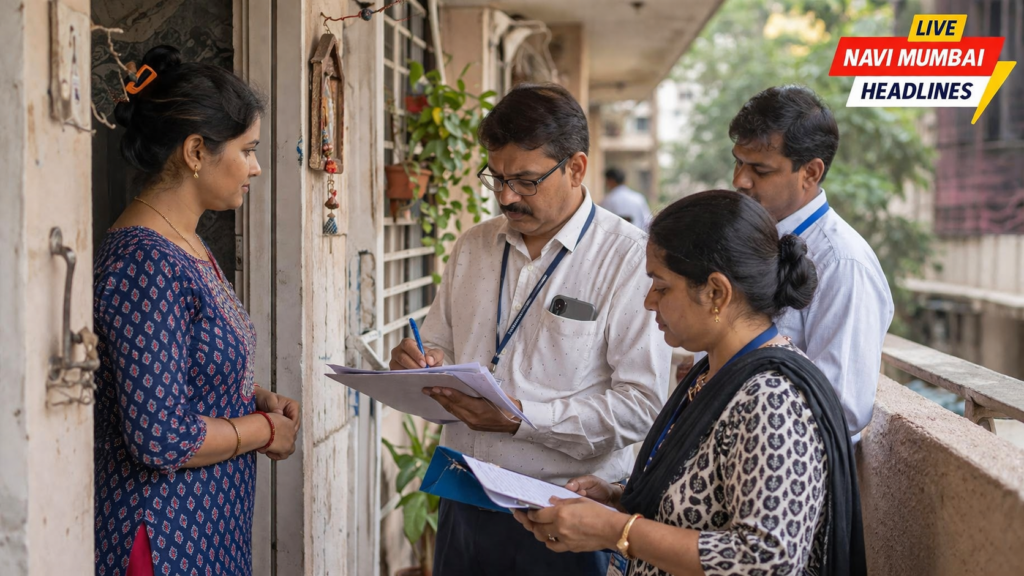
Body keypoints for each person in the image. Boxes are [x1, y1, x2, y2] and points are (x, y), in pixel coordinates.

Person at [389, 83, 672, 575]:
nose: (505, 196)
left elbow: (641, 406)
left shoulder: (628, 259)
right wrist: (418, 361)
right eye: (495, 177)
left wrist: (521, 418)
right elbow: (438, 342)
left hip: (566, 513)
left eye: (525, 180)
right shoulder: (474, 246)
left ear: (577, 168)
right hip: (466, 494)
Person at [514, 190, 866, 576]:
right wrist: (620, 497)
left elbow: (767, 562)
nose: (649, 302)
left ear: (716, 292)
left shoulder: (771, 399)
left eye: (661, 287)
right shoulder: (717, 373)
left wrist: (617, 530)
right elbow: (704, 498)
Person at [93, 45, 299, 576]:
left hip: (203, 522)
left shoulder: (184, 243)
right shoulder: (146, 261)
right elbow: (160, 436)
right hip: (160, 534)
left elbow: (179, 368)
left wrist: (253, 396)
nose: (255, 166)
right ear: (194, 151)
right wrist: (264, 430)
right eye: (247, 149)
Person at [683, 85, 892, 437]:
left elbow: (840, 404)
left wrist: (728, 398)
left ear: (810, 172)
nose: (739, 180)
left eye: (760, 170)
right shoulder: (747, 237)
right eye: (738, 161)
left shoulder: (842, 264)